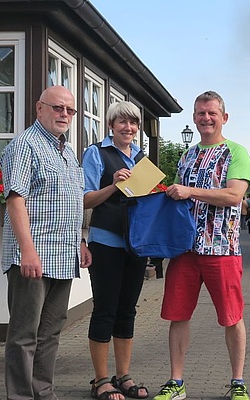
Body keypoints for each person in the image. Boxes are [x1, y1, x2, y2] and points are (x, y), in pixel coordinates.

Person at [156, 91, 250, 400]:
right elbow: (177, 199)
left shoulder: (237, 152)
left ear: (224, 118)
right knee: (178, 315)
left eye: (211, 113)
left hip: (221, 249)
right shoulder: (187, 156)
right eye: (200, 113)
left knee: (232, 317)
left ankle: (237, 383)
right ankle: (176, 382)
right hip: (185, 250)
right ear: (194, 118)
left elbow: (234, 196)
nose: (205, 118)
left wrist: (189, 191)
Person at [0, 85, 92, 400]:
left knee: (50, 333)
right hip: (33, 257)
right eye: (57, 108)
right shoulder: (25, 146)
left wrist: (80, 240)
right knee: (24, 336)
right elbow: (15, 201)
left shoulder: (67, 151)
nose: (64, 114)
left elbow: (72, 201)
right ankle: (22, 396)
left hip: (63, 257)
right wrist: (27, 250)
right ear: (39, 109)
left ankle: (44, 393)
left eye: (69, 110)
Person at [82, 101, 150, 400]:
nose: (128, 127)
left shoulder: (141, 157)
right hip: (105, 242)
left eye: (133, 123)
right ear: (111, 125)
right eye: (122, 122)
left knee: (127, 311)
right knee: (105, 310)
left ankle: (123, 376)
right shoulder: (96, 153)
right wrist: (113, 185)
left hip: (135, 244)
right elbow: (86, 200)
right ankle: (100, 380)